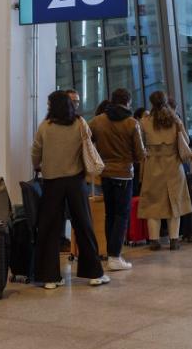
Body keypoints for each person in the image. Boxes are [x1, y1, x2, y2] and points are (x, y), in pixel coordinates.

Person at [31, 91, 109, 288]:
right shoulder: (79, 123)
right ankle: (94, 274)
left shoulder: (45, 127)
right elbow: (88, 145)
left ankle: (50, 277)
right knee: (84, 225)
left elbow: (35, 152)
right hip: (76, 182)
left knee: (50, 229)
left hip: (51, 183)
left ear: (52, 107)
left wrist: (39, 165)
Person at [89, 87, 145, 271]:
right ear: (128, 102)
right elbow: (139, 153)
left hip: (104, 173)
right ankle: (115, 256)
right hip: (124, 174)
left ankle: (108, 254)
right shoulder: (131, 123)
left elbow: (86, 142)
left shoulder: (97, 121)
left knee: (109, 214)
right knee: (122, 215)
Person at [138, 90, 192, 250]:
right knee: (174, 203)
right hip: (174, 166)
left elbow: (140, 145)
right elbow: (186, 141)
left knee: (153, 205)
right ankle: (174, 240)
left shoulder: (144, 122)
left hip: (152, 166)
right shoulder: (175, 120)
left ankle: (154, 241)